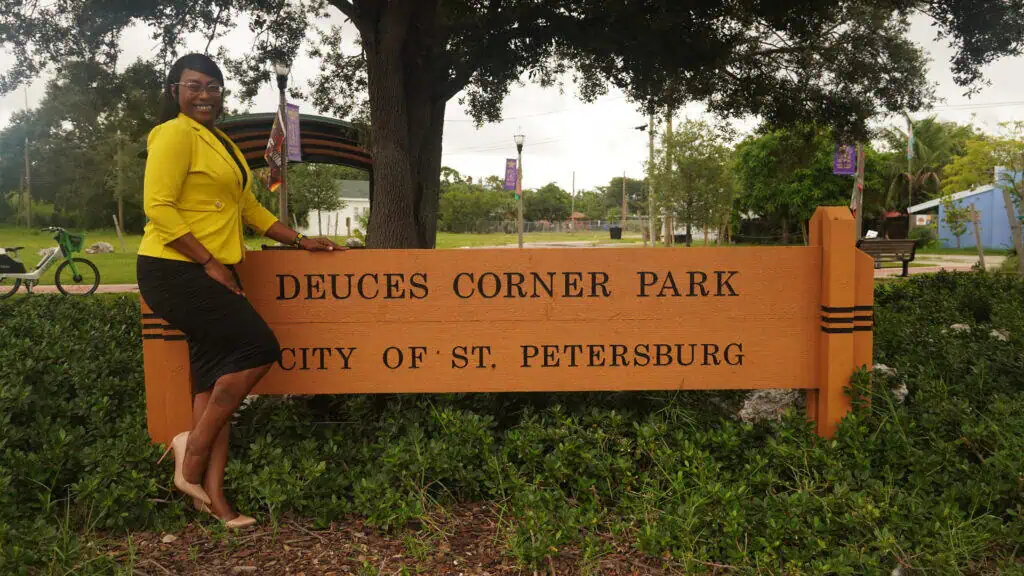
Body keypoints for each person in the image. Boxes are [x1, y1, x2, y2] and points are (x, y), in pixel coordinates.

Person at [140, 53, 343, 529]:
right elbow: (159, 207)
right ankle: (189, 451)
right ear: (175, 91)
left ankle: (212, 501)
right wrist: (209, 261)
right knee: (258, 347)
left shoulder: (221, 142)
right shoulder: (173, 134)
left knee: (212, 385)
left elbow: (248, 206)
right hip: (176, 268)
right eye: (194, 86)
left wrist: (299, 240)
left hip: (209, 268)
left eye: (213, 86)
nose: (205, 95)